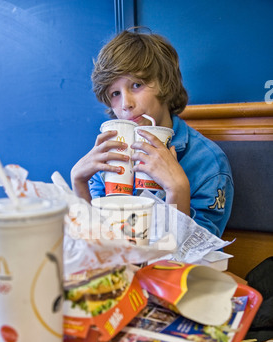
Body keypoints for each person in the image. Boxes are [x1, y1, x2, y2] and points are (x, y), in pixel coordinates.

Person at [70, 29, 234, 237]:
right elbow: (96, 244)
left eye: (136, 85)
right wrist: (79, 185)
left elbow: (197, 258)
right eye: (115, 93)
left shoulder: (208, 164)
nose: (126, 104)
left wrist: (178, 190)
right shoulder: (107, 159)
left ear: (165, 84)